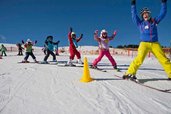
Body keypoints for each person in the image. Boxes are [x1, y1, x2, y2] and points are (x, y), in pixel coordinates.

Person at [123, 0, 171, 80]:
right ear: (142, 16)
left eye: (147, 13)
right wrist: (133, 5)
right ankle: (130, 73)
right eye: (143, 14)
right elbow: (134, 16)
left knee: (163, 59)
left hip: (155, 44)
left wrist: (163, 2)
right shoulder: (140, 23)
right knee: (139, 58)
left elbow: (163, 13)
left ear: (149, 14)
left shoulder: (154, 21)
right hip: (144, 44)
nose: (145, 15)